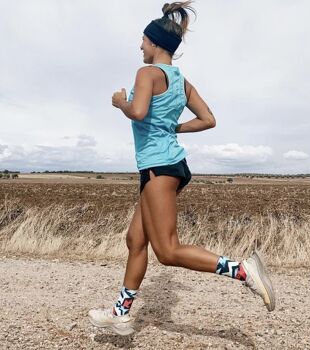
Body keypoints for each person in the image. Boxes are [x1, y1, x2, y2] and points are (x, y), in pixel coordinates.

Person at [88, 1, 275, 336]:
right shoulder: (181, 81)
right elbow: (208, 120)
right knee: (135, 240)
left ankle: (243, 271)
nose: (140, 46)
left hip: (160, 166)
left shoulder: (146, 73)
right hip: (161, 166)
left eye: (143, 40)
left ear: (156, 43)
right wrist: (173, 128)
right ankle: (121, 314)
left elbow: (140, 112)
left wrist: (121, 103)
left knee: (168, 250)